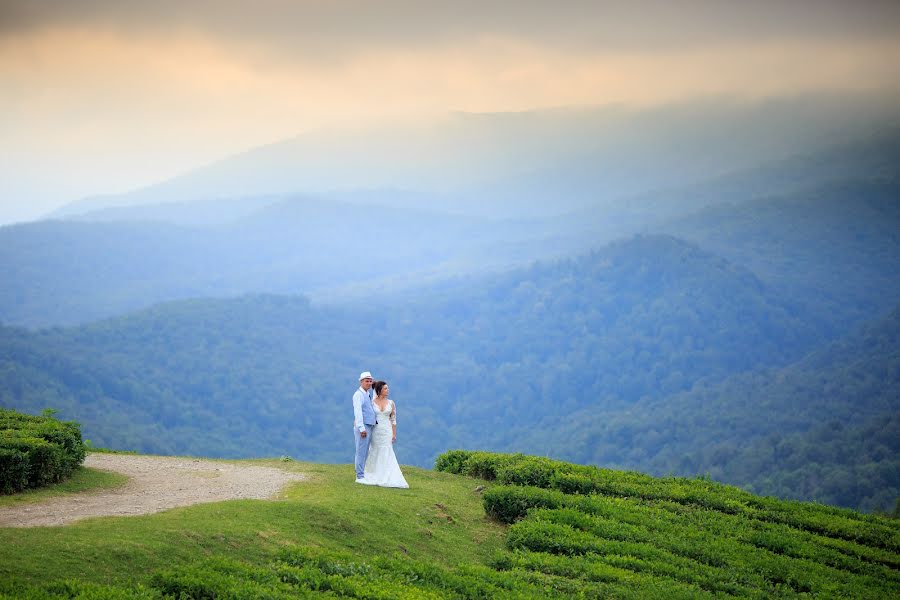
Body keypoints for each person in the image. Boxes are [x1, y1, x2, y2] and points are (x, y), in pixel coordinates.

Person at [363, 380, 409, 488]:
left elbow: (393, 420)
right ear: (379, 390)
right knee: (375, 450)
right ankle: (373, 473)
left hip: (387, 431)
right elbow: (367, 415)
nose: (387, 390)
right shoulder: (372, 402)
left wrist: (394, 434)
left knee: (387, 450)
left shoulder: (391, 403)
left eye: (387, 388)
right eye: (385, 388)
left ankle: (387, 474)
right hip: (376, 430)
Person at [352, 371, 377, 484]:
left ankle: (361, 474)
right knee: (361, 451)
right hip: (363, 427)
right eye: (366, 381)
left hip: (369, 425)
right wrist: (361, 428)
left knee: (365, 451)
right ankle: (359, 476)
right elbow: (358, 412)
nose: (369, 383)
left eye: (370, 381)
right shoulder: (358, 394)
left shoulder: (367, 393)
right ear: (361, 381)